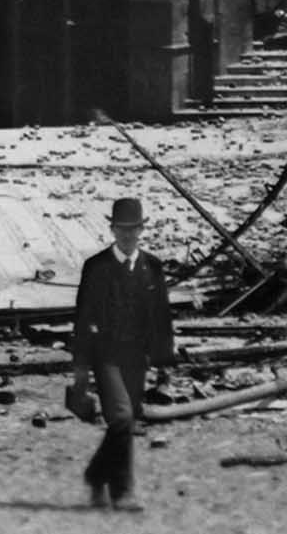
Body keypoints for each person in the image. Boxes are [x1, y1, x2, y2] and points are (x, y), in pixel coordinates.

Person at [73, 198, 175, 511]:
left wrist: (164, 363)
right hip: (105, 357)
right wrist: (80, 372)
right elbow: (81, 320)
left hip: (137, 358)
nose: (128, 235)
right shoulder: (96, 268)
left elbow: (161, 316)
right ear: (112, 229)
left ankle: (106, 482)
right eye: (122, 229)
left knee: (125, 424)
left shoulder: (152, 267)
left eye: (134, 229)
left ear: (142, 229)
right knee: (121, 416)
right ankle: (118, 487)